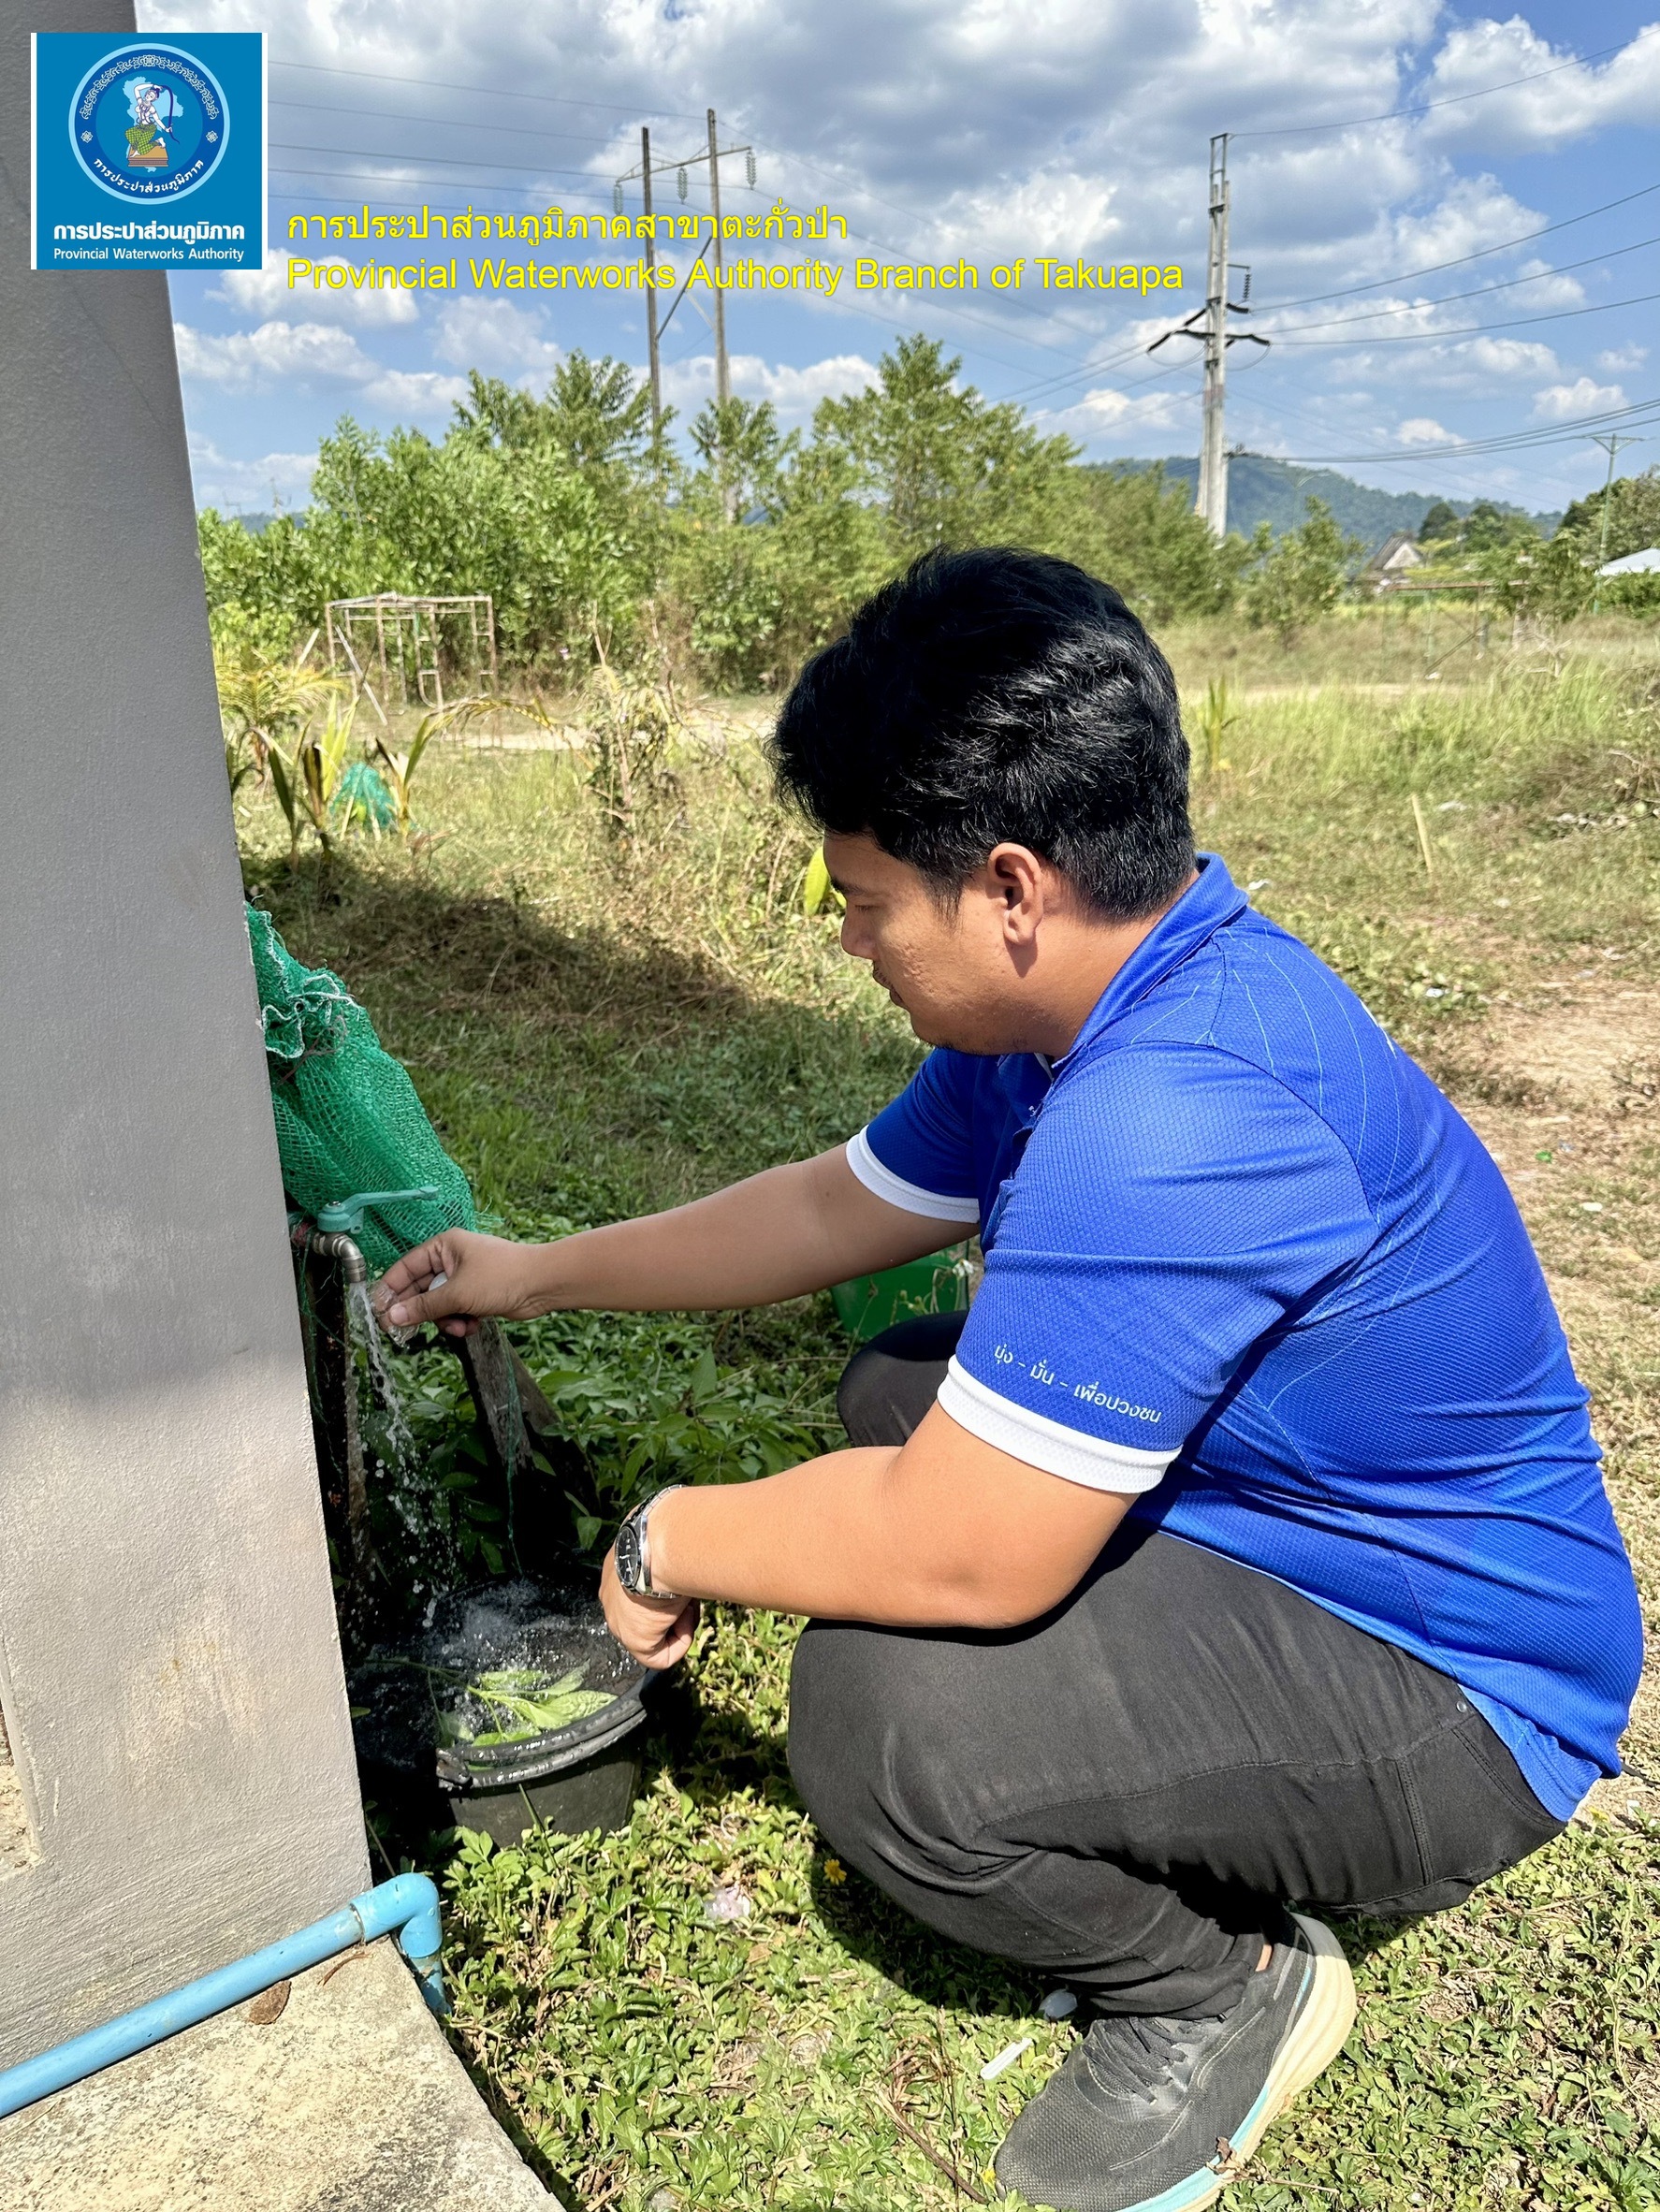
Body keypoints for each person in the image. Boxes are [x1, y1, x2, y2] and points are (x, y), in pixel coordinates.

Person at [376, 548, 1641, 2212]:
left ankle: (1218, 1993)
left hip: (1458, 1690)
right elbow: (839, 1203)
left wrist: (661, 1544)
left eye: (862, 898)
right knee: (905, 1386)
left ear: (1011, 888)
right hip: (1287, 1524)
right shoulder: (1099, 998)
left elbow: (972, 1552)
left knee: (891, 1728)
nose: (845, 940)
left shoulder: (1178, 1109)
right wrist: (527, 1268)